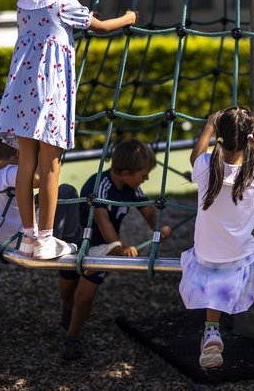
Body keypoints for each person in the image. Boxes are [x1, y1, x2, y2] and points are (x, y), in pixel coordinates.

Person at [0, 0, 139, 260]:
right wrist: (127, 18)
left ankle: (29, 236)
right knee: (50, 168)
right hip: (49, 96)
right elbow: (99, 27)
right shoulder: (62, 4)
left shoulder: (24, 4)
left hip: (21, 94)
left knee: (25, 166)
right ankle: (45, 239)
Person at [179, 107, 254, 377]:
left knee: (215, 275)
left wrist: (209, 126)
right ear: (251, 140)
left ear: (219, 137)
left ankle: (212, 331)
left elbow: (195, 155)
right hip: (240, 255)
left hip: (204, 254)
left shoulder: (205, 168)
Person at [58, 138, 171, 360]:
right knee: (67, 287)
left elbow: (147, 210)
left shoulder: (131, 188)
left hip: (104, 250)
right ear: (127, 173)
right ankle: (68, 310)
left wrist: (158, 227)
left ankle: (72, 337)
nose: (145, 179)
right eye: (143, 175)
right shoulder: (100, 185)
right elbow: (102, 220)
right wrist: (121, 246)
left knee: (84, 296)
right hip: (79, 242)